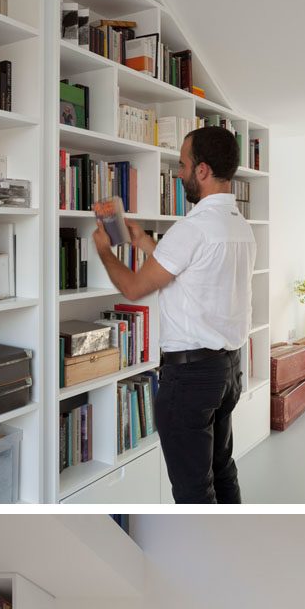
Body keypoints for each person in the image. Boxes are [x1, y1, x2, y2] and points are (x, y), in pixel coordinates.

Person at [92, 126, 256, 504]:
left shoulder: (192, 228)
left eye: (182, 164)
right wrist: (145, 243)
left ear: (202, 170)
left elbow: (133, 288)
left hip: (190, 378)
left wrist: (104, 250)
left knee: (193, 492)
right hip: (228, 370)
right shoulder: (240, 227)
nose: (179, 173)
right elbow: (192, 273)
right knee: (222, 471)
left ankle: (205, 561)